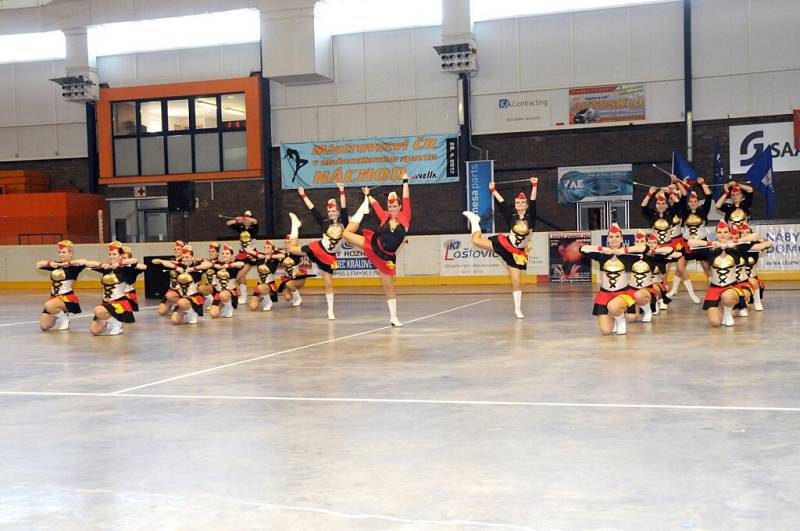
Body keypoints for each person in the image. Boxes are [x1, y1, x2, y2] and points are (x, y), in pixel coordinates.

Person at [463, 177, 538, 319]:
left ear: (526, 205)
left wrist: (534, 185)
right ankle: (475, 221)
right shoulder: (511, 215)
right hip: (505, 245)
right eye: (517, 203)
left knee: (516, 281)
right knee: (475, 240)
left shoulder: (531, 216)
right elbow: (502, 202)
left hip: (517, 253)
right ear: (515, 205)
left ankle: (517, 309)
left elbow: (534, 201)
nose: (520, 204)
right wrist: (493, 190)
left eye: (523, 202)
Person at [342, 173, 411, 326]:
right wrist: (368, 194)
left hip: (385, 257)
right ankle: (358, 215)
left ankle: (394, 317)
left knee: (388, 286)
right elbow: (375, 205)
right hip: (373, 245)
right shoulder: (384, 216)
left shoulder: (406, 216)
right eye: (390, 206)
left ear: (399, 206)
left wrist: (405, 181)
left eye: (394, 206)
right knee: (345, 233)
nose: (392, 209)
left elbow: (406, 197)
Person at [286, 182, 349, 319]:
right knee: (291, 249)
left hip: (329, 256)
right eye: (329, 211)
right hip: (318, 248)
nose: (331, 213)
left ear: (338, 212)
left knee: (328, 282)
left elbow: (344, 207)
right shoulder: (324, 222)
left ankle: (330, 310)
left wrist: (342, 191)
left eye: (333, 211)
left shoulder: (344, 222)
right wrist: (303, 195)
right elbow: (313, 209)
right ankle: (295, 226)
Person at [688, 221, 768, 327]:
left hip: (731, 287)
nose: (722, 234)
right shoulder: (710, 249)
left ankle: (727, 312)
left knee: (727, 296)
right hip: (714, 288)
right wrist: (711, 243)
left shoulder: (737, 247)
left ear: (730, 233)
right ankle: (731, 311)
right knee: (715, 323)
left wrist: (736, 240)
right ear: (716, 234)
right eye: (720, 232)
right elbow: (690, 242)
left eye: (726, 232)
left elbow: (755, 236)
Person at [579, 224, 646, 335]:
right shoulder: (602, 255)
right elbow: (582, 249)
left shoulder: (628, 255)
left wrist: (624, 250)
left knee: (616, 308)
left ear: (622, 238)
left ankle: (620, 319)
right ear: (607, 239)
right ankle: (614, 316)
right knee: (606, 331)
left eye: (617, 236)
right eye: (611, 237)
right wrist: (602, 249)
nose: (614, 239)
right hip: (604, 294)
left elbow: (645, 248)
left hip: (622, 293)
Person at [668, 178, 713, 303]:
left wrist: (703, 183)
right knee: (680, 267)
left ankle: (713, 288)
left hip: (701, 242)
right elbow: (682, 195)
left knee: (706, 267)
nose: (693, 203)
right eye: (691, 201)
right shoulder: (685, 212)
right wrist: (677, 182)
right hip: (687, 243)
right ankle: (677, 290)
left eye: (695, 201)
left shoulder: (703, 211)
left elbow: (708, 195)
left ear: (698, 202)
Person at [85, 241, 138, 336]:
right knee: (95, 331)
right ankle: (110, 320)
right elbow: (87, 263)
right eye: (110, 254)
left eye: (114, 254)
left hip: (119, 303)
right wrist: (102, 265)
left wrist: (120, 263)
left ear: (121, 255)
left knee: (97, 310)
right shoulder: (107, 268)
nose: (111, 256)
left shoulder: (125, 269)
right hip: (106, 303)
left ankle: (117, 324)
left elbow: (134, 260)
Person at [35, 240, 89, 331]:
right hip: (53, 298)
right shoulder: (56, 265)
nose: (61, 254)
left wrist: (66, 264)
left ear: (70, 254)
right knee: (44, 326)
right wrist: (50, 263)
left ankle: (65, 319)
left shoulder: (74, 267)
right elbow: (38, 264)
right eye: (59, 252)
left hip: (66, 298)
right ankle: (59, 313)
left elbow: (84, 261)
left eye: (64, 252)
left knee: (48, 305)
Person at [153, 245, 211, 325]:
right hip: (181, 296)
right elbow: (165, 263)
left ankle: (193, 312)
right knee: (174, 321)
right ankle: (185, 311)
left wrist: (193, 269)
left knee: (181, 302)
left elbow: (209, 264)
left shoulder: (197, 266)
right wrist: (176, 267)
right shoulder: (180, 266)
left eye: (187, 257)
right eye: (183, 257)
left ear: (192, 258)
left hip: (193, 297)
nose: (184, 259)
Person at [208, 244, 245, 319]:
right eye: (223, 253)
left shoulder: (234, 265)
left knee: (223, 295)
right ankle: (223, 305)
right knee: (213, 315)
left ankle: (229, 306)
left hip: (230, 293)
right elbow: (205, 264)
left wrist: (229, 265)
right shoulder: (218, 264)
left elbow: (242, 263)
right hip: (218, 293)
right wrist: (214, 265)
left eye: (227, 253)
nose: (224, 255)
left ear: (232, 256)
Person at [248, 240, 285, 312]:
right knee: (253, 307)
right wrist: (257, 254)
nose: (265, 248)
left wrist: (271, 256)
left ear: (272, 250)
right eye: (264, 247)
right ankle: (263, 297)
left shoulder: (275, 258)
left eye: (268, 247)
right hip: (259, 285)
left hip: (269, 286)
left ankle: (268, 302)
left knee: (261, 287)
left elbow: (283, 255)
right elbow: (247, 249)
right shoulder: (260, 257)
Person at [158, 240, 186, 316]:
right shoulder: (172, 261)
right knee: (161, 312)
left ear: (183, 250)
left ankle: (181, 304)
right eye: (175, 249)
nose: (176, 251)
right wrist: (175, 266)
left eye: (178, 249)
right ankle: (173, 304)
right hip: (171, 289)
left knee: (169, 296)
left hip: (181, 291)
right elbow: (156, 261)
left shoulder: (185, 261)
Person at [233, 230, 259, 304]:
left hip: (250, 257)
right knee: (237, 278)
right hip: (240, 256)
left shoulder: (253, 230)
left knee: (241, 275)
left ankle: (244, 296)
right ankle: (243, 293)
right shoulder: (241, 228)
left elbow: (254, 223)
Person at [121, 245, 147, 311]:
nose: (123, 259)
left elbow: (144, 267)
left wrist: (131, 264)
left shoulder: (132, 268)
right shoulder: (115, 266)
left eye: (125, 258)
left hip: (129, 293)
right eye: (122, 258)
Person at [199, 242, 220, 309]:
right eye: (210, 252)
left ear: (217, 253)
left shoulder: (220, 262)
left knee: (201, 288)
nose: (211, 253)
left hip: (217, 288)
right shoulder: (207, 263)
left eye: (213, 251)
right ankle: (209, 299)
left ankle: (213, 301)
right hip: (209, 288)